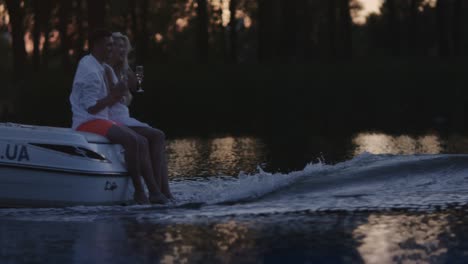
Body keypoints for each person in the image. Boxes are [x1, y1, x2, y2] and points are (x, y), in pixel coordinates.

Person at [69, 29, 168, 205]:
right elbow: (91, 108)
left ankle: (155, 192)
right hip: (87, 121)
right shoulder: (91, 70)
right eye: (109, 45)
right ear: (97, 45)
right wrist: (113, 96)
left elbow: (133, 87)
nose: (112, 48)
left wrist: (126, 83)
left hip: (102, 119)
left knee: (143, 140)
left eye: (114, 45)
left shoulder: (102, 66)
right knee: (134, 140)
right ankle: (141, 192)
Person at [104, 32, 173, 200]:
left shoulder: (123, 69)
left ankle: (165, 192)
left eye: (123, 46)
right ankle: (157, 192)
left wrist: (134, 77)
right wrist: (119, 93)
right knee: (157, 135)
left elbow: (135, 88)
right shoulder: (104, 69)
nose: (120, 49)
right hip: (112, 117)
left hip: (123, 115)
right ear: (109, 48)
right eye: (117, 45)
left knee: (158, 137)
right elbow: (106, 101)